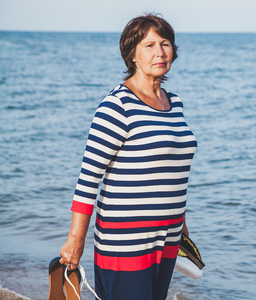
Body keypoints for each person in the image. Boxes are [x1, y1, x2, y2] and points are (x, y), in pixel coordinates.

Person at [59, 13, 197, 300]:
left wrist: (182, 227)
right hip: (126, 241)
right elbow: (88, 180)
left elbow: (172, 173)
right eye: (149, 45)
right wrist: (75, 240)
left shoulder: (176, 104)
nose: (159, 52)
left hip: (168, 237)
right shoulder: (117, 105)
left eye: (165, 43)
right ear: (132, 55)